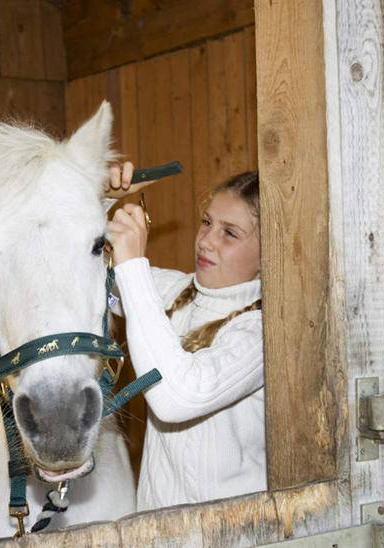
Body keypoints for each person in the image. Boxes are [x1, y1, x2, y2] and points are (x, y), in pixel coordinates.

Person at [105, 163, 265, 511]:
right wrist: (101, 200)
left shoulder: (261, 333)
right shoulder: (175, 291)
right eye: (207, 222)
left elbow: (176, 398)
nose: (205, 241)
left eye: (230, 233)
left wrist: (131, 266)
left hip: (235, 532)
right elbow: (92, 286)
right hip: (159, 531)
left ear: (266, 257)